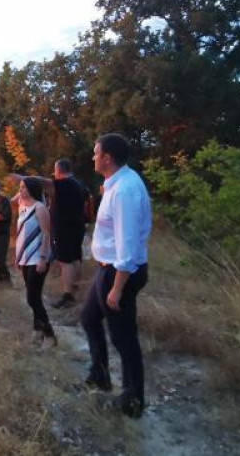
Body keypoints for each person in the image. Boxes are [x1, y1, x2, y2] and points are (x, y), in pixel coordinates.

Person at [80, 134, 152, 418]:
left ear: (107, 157)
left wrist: (117, 288)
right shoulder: (116, 184)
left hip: (120, 272)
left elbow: (128, 244)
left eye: (96, 153)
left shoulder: (125, 190)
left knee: (124, 338)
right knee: (88, 317)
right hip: (107, 269)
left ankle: (133, 401)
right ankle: (100, 375)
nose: (93, 157)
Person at [16, 177, 57, 348]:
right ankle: (37, 329)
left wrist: (42, 258)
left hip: (38, 258)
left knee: (32, 298)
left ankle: (49, 335)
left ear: (32, 189)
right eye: (20, 187)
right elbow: (20, 232)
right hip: (25, 258)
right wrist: (17, 257)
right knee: (34, 296)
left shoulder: (40, 208)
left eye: (24, 187)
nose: (21, 190)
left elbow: (46, 234)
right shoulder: (22, 207)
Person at [48, 159, 90, 309]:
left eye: (55, 170)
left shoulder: (64, 183)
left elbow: (45, 183)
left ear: (59, 170)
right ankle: (76, 288)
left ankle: (68, 296)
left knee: (65, 261)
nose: (54, 174)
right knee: (75, 257)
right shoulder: (79, 184)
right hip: (76, 226)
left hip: (65, 228)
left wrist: (24, 179)